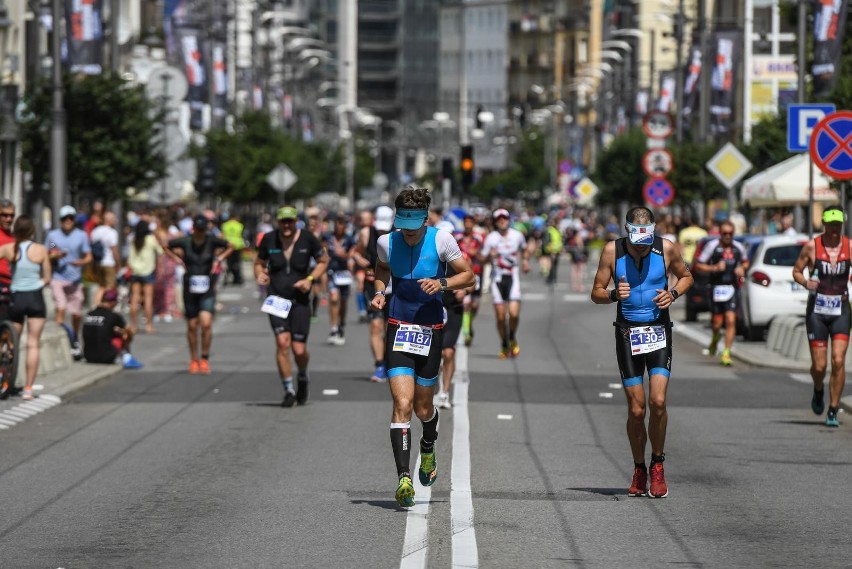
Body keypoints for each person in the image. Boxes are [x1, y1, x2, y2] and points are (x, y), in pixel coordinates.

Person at [370, 186, 474, 508]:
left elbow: (468, 276)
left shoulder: (442, 240)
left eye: (415, 229)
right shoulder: (386, 243)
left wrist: (442, 283)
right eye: (405, 228)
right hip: (398, 328)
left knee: (423, 409)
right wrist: (379, 292)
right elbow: (381, 270)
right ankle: (404, 479)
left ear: (425, 220)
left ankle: (428, 447)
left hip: (431, 330)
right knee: (402, 404)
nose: (410, 235)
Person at [591, 206, 694, 499]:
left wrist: (672, 293)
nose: (641, 246)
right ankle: (639, 468)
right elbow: (595, 291)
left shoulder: (667, 249)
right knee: (637, 409)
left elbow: (686, 277)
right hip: (627, 333)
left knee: (658, 401)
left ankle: (657, 464)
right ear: (627, 231)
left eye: (646, 240)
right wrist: (612, 294)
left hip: (658, 331)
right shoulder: (612, 252)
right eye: (637, 241)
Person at [255, 206, 328, 407]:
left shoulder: (308, 239)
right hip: (277, 299)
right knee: (282, 343)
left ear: (296, 221)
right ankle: (288, 390)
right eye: (283, 221)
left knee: (298, 350)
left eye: (290, 221)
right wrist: (260, 274)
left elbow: (323, 260)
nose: (286, 225)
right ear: (277, 222)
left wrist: (310, 279)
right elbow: (259, 263)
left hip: (300, 301)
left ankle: (303, 375)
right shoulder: (269, 239)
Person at [792, 206, 850, 427]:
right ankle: (818, 390)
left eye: (838, 225)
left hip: (841, 310)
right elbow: (796, 271)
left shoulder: (849, 246)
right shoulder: (812, 247)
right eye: (831, 225)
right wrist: (805, 282)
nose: (834, 229)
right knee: (819, 366)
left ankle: (834, 408)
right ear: (824, 224)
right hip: (817, 311)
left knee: (838, 360)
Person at [166, 214, 233, 375]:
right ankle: (193, 359)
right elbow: (165, 245)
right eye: (198, 229)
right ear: (193, 228)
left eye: (203, 230)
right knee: (192, 325)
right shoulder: (185, 241)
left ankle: (204, 358)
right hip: (190, 285)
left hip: (207, 286)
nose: (200, 233)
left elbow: (231, 246)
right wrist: (177, 259)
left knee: (206, 323)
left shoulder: (211, 240)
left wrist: (219, 259)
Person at [0, 216, 51, 401]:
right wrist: (37, 282)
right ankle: (28, 389)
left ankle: (5, 373)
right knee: (33, 343)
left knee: (11, 342)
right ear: (32, 231)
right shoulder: (41, 250)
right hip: (35, 298)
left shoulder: (8, 248)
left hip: (16, 297)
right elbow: (47, 278)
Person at [693, 220, 749, 366]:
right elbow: (698, 265)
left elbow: (745, 262)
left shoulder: (738, 247)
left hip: (732, 288)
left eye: (730, 234)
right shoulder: (712, 246)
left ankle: (726, 353)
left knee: (731, 319)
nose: (728, 236)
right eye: (725, 233)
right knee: (717, 324)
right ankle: (715, 338)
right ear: (720, 233)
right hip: (716, 288)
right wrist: (714, 268)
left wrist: (742, 268)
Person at [353, 205, 394, 381]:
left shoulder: (400, 234)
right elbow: (355, 253)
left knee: (390, 329)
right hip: (374, 285)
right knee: (376, 326)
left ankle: (389, 362)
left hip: (395, 287)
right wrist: (362, 263)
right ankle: (379, 366)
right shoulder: (366, 233)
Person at [481, 208, 530, 359]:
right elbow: (482, 259)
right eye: (499, 218)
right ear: (496, 221)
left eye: (505, 218)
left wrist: (525, 261)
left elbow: (524, 249)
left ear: (509, 220)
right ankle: (504, 343)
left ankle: (512, 337)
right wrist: (490, 256)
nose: (502, 220)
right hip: (497, 278)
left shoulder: (517, 235)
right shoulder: (491, 238)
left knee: (514, 314)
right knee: (501, 317)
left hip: (512, 276)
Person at [46, 205, 92, 359]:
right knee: (61, 307)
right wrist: (57, 255)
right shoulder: (53, 236)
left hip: (75, 279)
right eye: (65, 218)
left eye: (71, 218)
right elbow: (50, 252)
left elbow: (88, 256)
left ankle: (75, 339)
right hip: (58, 277)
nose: (68, 221)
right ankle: (59, 341)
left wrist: (80, 262)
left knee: (76, 314)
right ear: (60, 220)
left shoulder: (81, 236)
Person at [436, 221, 470, 409]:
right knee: (433, 353)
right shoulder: (426, 256)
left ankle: (445, 392)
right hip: (431, 309)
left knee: (448, 352)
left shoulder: (459, 258)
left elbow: (472, 279)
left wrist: (465, 290)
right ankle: (430, 383)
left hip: (453, 309)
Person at [82, 288, 143, 369]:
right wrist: (121, 331)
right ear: (113, 302)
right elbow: (129, 331)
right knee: (125, 334)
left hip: (88, 356)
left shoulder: (89, 314)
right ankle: (127, 357)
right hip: (106, 357)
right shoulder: (114, 316)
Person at [325, 214, 356, 346]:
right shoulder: (327, 237)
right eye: (337, 225)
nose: (339, 228)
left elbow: (352, 253)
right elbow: (323, 250)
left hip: (344, 274)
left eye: (341, 226)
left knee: (343, 301)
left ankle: (341, 324)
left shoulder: (349, 239)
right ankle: (333, 328)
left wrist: (344, 255)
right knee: (333, 298)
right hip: (332, 272)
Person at [128, 221, 163, 334]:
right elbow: (160, 251)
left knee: (134, 298)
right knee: (148, 299)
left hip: (135, 271)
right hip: (148, 271)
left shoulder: (133, 239)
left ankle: (133, 325)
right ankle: (148, 325)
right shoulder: (150, 239)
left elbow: (129, 257)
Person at [457, 213, 484, 346]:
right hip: (463, 273)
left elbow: (485, 256)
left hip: (477, 274)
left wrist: (477, 254)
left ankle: (469, 323)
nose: (468, 225)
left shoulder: (479, 239)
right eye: (466, 222)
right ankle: (466, 332)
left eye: (470, 222)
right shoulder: (459, 239)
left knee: (475, 305)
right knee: (466, 304)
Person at [0, 199, 16, 395]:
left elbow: (49, 241)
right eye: (4, 215)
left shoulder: (16, 235)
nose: (8, 218)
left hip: (14, 286)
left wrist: (53, 249)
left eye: (11, 215)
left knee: (10, 328)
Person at [90, 211, 121, 306]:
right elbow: (114, 249)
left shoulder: (95, 231)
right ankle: (106, 308)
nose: (116, 221)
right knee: (110, 287)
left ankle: (97, 305)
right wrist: (118, 263)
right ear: (109, 220)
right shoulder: (112, 232)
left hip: (98, 262)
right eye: (114, 219)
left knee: (101, 286)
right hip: (109, 262)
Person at [221, 213, 246, 286]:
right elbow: (242, 235)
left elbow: (222, 235)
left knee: (228, 263)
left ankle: (227, 277)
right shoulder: (240, 225)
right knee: (237, 263)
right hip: (237, 246)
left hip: (227, 245)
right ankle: (237, 278)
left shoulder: (225, 225)